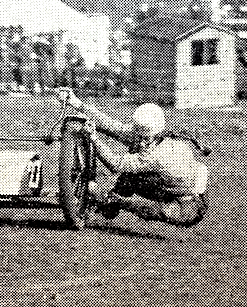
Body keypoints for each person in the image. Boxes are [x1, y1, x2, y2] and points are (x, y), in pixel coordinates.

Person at [55, 88, 208, 227]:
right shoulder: (151, 133)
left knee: (151, 210)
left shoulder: (159, 156)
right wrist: (76, 103)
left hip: (189, 205)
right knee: (128, 179)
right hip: (169, 184)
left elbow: (115, 164)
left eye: (145, 138)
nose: (140, 142)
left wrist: (93, 138)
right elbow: (112, 126)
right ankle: (108, 207)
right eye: (138, 135)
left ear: (157, 134)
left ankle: (111, 201)